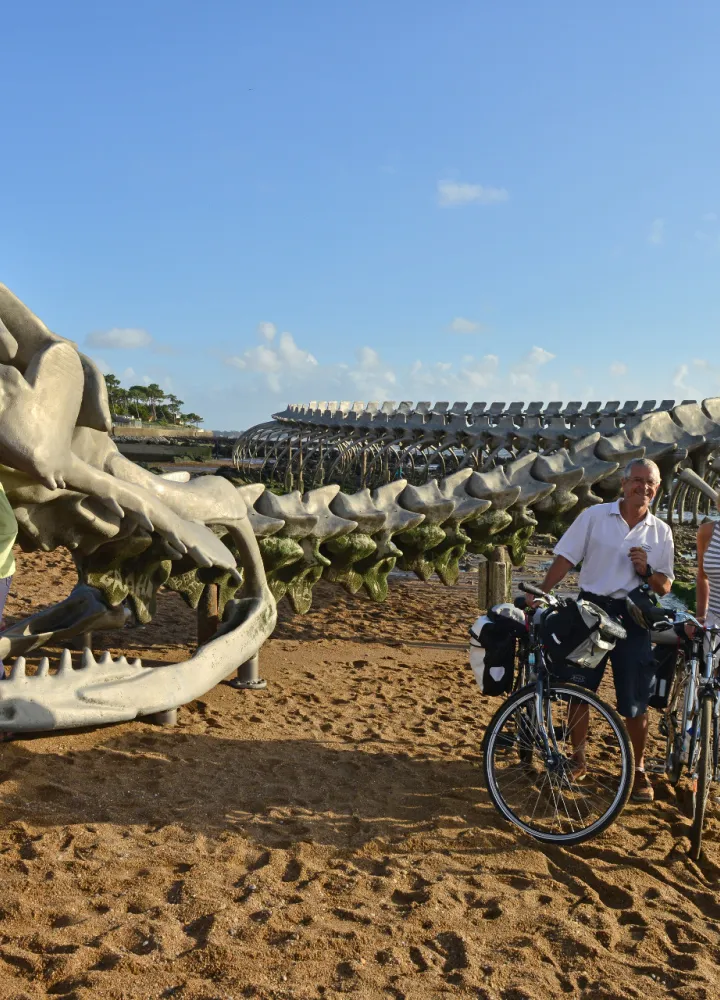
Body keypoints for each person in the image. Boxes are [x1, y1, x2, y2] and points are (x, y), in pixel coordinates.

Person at [536, 458, 675, 803]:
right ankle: (578, 759)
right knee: (578, 689)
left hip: (633, 617)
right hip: (591, 611)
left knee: (635, 699)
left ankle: (638, 769)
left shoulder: (661, 531)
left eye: (650, 483)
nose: (643, 487)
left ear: (656, 490)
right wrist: (540, 593)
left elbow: (665, 586)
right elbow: (566, 558)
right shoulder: (594, 516)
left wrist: (646, 570)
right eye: (637, 480)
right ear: (623, 484)